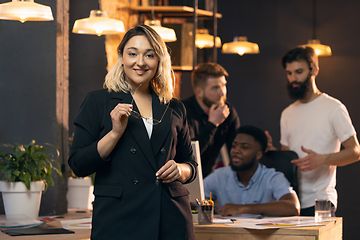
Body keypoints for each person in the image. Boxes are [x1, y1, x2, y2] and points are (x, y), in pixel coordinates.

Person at [68, 25, 197, 240]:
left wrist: (180, 170)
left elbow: (190, 164)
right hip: (119, 218)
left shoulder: (174, 107)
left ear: (159, 61)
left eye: (149, 55)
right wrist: (114, 133)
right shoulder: (98, 102)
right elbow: (78, 165)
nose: (140, 62)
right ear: (121, 56)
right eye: (132, 53)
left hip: (171, 217)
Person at [267, 46, 360, 216]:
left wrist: (322, 159)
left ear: (314, 70)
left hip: (321, 201)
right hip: (290, 201)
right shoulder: (287, 114)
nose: (293, 78)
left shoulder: (334, 108)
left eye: (299, 71)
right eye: (289, 73)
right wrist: (272, 154)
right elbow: (289, 160)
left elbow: (355, 152)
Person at [203, 126, 300, 217]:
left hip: (262, 234)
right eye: (234, 146)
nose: (236, 151)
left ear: (258, 155)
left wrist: (244, 209)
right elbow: (194, 200)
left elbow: (293, 207)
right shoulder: (219, 176)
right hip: (227, 234)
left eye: (244, 147)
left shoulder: (272, 178)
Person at [182, 62, 240, 178]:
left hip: (211, 179)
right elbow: (189, 154)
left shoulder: (227, 111)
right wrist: (212, 124)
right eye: (215, 88)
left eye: (223, 85)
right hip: (186, 178)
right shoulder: (183, 111)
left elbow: (236, 149)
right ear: (199, 92)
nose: (222, 93)